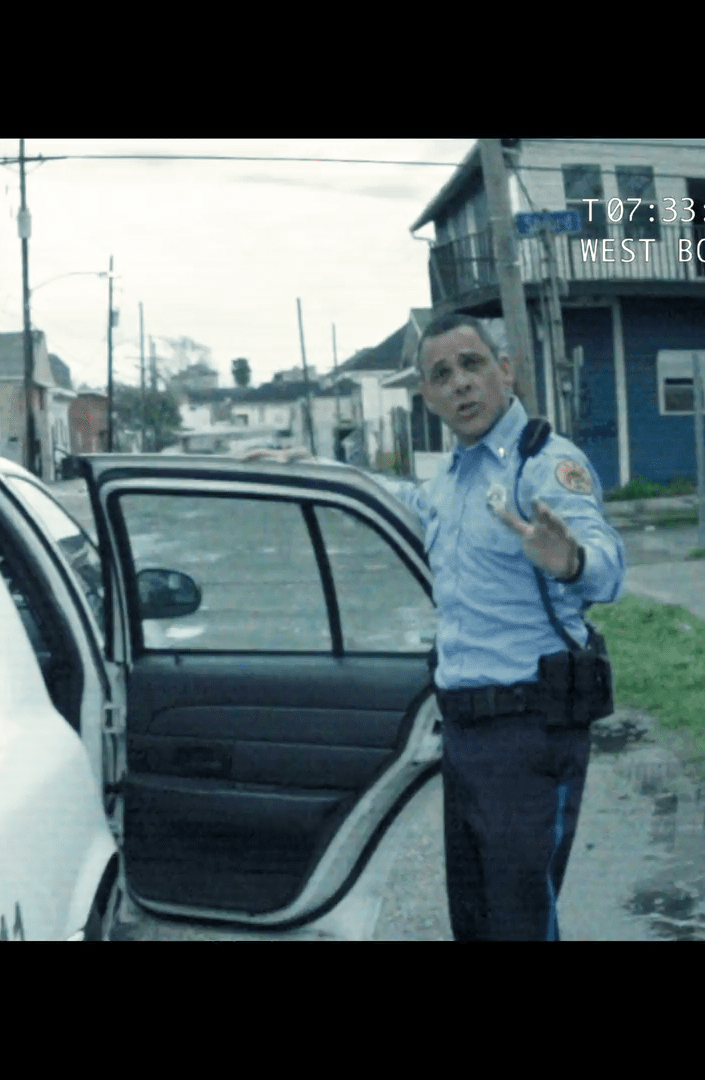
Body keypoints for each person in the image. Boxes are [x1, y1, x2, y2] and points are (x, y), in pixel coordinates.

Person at [245, 312, 625, 941]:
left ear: (505, 371)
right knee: (474, 922)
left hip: (531, 731)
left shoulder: (543, 463)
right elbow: (403, 502)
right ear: (426, 395)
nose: (460, 384)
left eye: (472, 365)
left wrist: (571, 561)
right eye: (442, 374)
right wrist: (318, 471)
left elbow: (606, 568)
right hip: (467, 736)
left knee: (519, 925)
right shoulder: (451, 478)